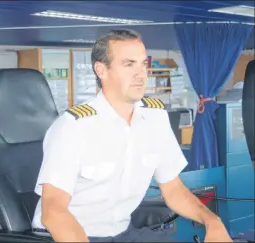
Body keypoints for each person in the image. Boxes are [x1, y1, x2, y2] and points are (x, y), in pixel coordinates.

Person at [32, 29, 232, 242]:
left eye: (143, 63)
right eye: (129, 64)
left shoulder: (155, 118)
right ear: (101, 70)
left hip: (122, 233)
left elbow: (173, 188)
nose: (141, 73)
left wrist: (212, 221)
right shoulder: (73, 127)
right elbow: (54, 212)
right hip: (67, 235)